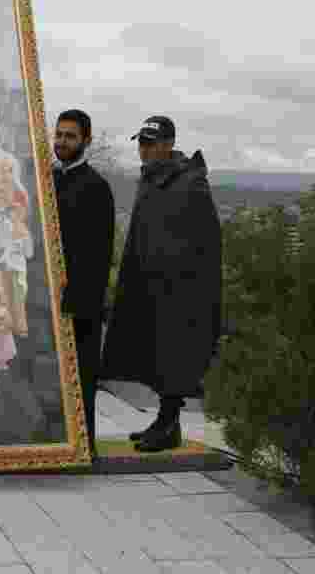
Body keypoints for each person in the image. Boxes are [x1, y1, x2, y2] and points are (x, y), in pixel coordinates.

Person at [102, 115, 222, 452]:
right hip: (149, 282)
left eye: (150, 143)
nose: (144, 149)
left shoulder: (190, 182)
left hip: (179, 288)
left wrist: (185, 280)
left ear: (168, 144)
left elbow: (206, 241)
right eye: (141, 142)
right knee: (152, 354)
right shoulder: (153, 179)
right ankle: (165, 424)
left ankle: (168, 424)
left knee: (173, 357)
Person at [52, 109, 115, 459]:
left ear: (86, 140)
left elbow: (98, 255)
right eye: (59, 134)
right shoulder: (47, 182)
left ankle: (81, 450)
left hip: (78, 305)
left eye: (70, 136)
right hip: (48, 302)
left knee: (81, 380)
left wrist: (74, 303)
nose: (62, 142)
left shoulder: (96, 188)